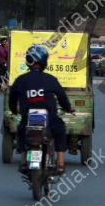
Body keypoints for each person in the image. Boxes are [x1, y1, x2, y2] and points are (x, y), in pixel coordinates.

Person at [8, 44, 72, 174]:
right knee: (60, 129)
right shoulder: (50, 79)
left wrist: (15, 110)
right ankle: (60, 162)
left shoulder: (20, 80)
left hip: (28, 120)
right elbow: (62, 96)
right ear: (44, 61)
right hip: (50, 120)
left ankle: (23, 160)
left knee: (21, 131)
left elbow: (12, 99)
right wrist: (68, 108)